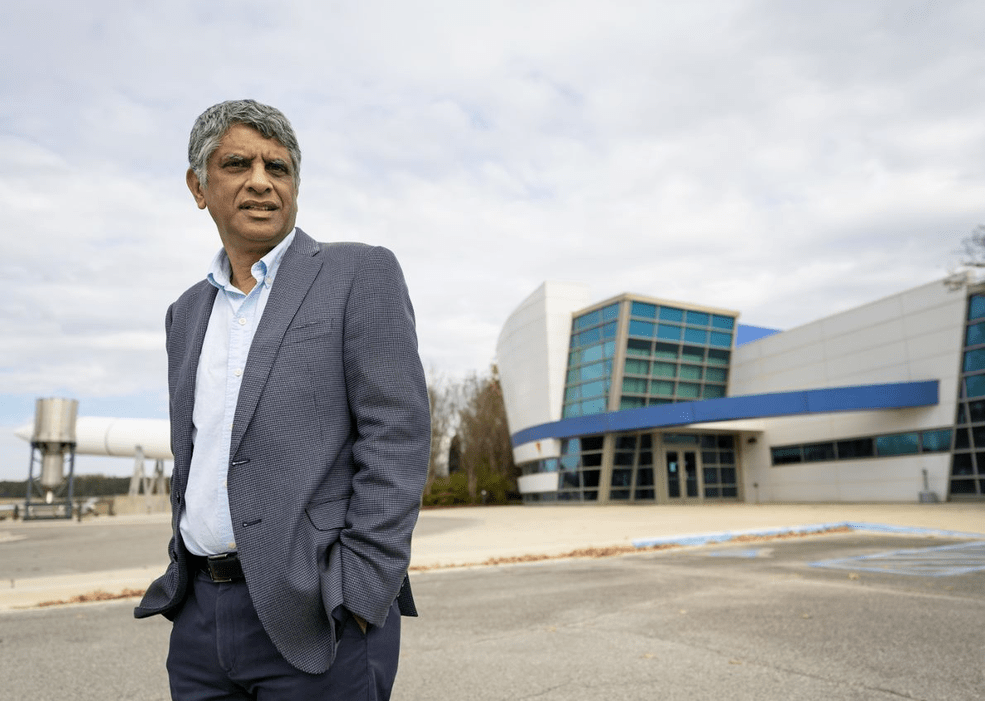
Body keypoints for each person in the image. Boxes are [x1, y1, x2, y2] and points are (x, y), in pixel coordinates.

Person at [134, 99, 431, 700]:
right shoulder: (185, 314)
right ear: (198, 187)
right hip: (200, 620)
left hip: (320, 617)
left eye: (280, 166)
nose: (262, 182)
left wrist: (359, 592)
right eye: (238, 164)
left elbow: (397, 436)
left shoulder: (358, 274)